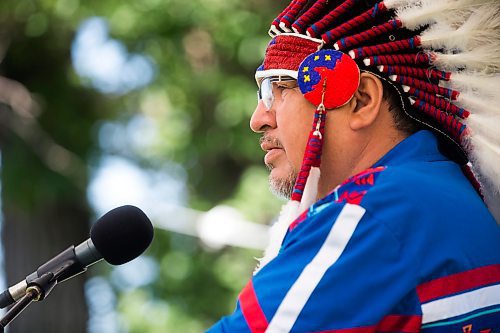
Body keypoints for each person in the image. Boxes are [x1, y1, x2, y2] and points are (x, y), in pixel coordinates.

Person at [207, 0, 500, 332]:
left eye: (277, 89)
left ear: (360, 100)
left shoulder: (374, 214)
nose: (258, 119)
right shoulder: (458, 198)